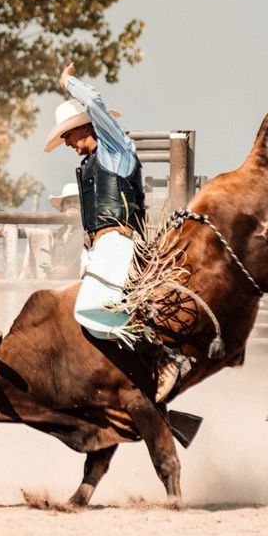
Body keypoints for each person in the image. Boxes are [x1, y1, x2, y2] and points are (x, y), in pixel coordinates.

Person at [45, 63, 186, 401]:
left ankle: (162, 357)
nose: (66, 142)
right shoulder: (98, 159)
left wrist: (69, 83)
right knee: (86, 316)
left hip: (118, 242)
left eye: (67, 134)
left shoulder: (114, 149)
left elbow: (94, 104)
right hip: (101, 247)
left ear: (84, 127)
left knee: (89, 309)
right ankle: (137, 379)